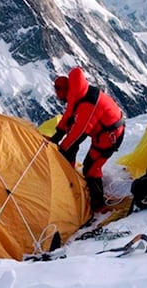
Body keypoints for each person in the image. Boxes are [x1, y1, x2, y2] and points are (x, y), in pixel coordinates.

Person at [50, 67, 125, 212]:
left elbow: (79, 132)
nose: (63, 100)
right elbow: (69, 115)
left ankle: (99, 206)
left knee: (91, 169)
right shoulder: (77, 92)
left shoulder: (87, 104)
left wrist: (62, 149)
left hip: (110, 137)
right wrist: (58, 134)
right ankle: (69, 174)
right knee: (74, 151)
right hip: (103, 133)